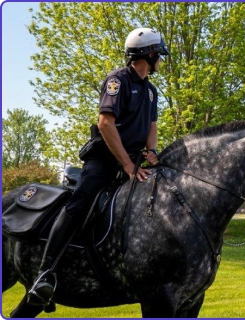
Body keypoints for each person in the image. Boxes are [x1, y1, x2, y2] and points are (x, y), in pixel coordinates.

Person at [27, 28, 170, 307]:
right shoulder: (116, 80)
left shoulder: (151, 91)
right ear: (149, 54)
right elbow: (106, 124)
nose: (161, 61)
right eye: (159, 55)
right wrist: (128, 165)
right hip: (105, 160)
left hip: (133, 161)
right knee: (80, 203)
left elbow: (152, 126)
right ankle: (44, 275)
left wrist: (151, 152)